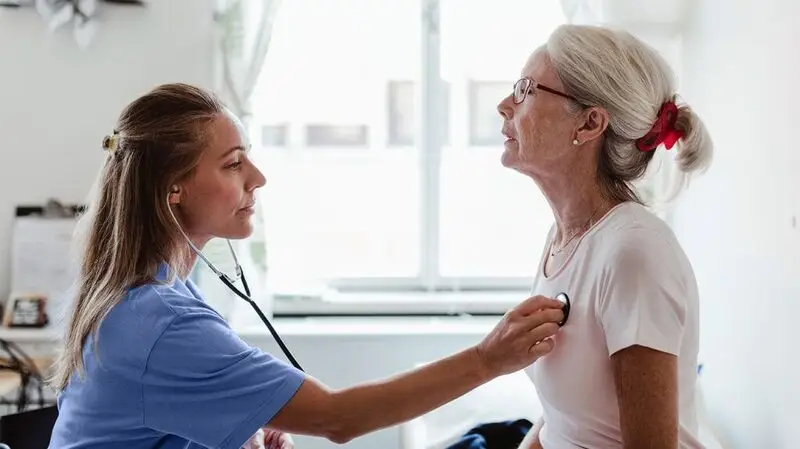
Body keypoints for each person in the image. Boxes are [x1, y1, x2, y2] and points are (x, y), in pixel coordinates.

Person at [46, 83, 566, 449]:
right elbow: (338, 419)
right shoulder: (161, 321)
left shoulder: (142, 291)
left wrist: (239, 435)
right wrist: (488, 359)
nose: (258, 177)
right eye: (233, 164)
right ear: (172, 190)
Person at [496, 24, 713, 449]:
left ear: (590, 122)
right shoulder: (564, 239)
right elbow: (564, 419)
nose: (505, 106)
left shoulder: (633, 252)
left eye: (525, 90)